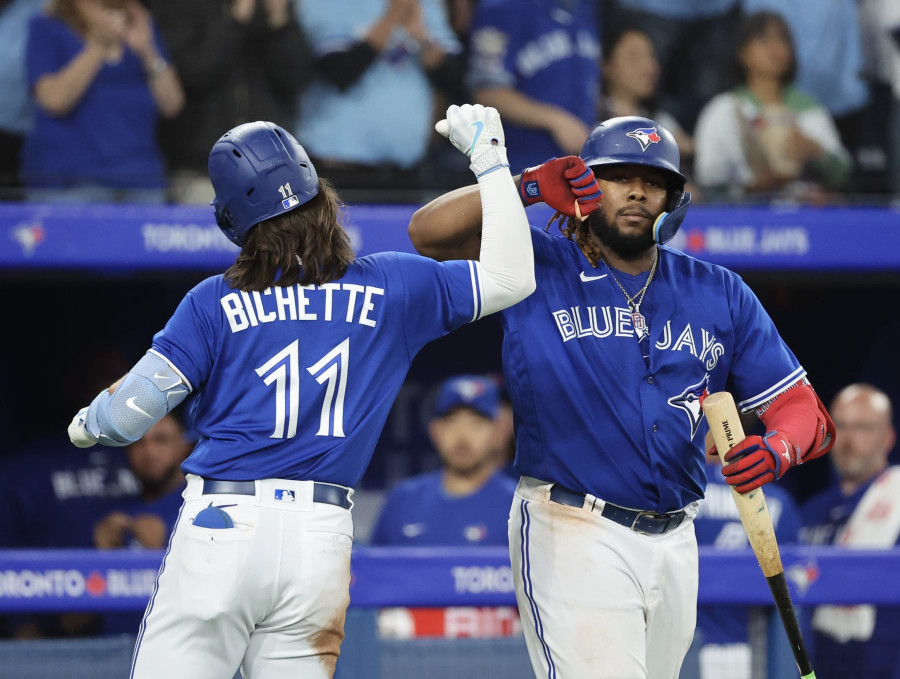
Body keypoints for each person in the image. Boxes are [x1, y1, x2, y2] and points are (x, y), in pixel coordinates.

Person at [66, 105, 534, 678]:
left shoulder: (213, 300)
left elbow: (127, 418)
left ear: (233, 219)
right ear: (319, 196)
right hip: (320, 539)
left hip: (224, 527)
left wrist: (89, 422)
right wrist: (490, 159)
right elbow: (514, 277)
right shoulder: (390, 284)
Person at [408, 115, 835, 678]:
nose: (636, 191)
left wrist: (778, 449)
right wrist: (527, 187)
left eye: (652, 181)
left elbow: (807, 413)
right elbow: (426, 233)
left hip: (676, 540)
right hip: (573, 526)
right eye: (617, 176)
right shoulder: (536, 261)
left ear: (674, 199)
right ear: (585, 183)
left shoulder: (719, 291)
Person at [148, 0, 311, 205]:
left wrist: (279, 20)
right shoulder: (181, 6)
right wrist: (237, 19)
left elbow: (295, 80)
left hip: (270, 172)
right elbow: (196, 72)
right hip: (204, 171)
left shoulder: (272, 9)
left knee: (275, 237)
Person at [22, 0, 184, 202]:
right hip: (71, 180)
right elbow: (54, 100)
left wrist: (148, 52)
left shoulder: (137, 20)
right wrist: (97, 48)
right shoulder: (47, 25)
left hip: (141, 176)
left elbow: (172, 104)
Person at [294, 0, 465, 190]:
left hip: (407, 167)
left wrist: (423, 38)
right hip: (339, 166)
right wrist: (392, 18)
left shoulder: (423, 3)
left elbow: (455, 78)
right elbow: (338, 72)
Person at [693, 11, 851, 200]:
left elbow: (844, 173)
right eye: (763, 40)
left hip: (801, 214)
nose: (774, 49)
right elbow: (708, 178)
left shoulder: (809, 110)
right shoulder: (724, 109)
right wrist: (751, 187)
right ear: (743, 52)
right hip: (743, 218)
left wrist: (816, 152)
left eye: (782, 40)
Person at [800, 384, 900, 679]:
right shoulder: (809, 512)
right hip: (818, 663)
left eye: (863, 428)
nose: (848, 439)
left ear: (889, 437)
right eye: (839, 426)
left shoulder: (895, 497)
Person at [692, 437, 801, 679]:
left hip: (687, 650)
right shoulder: (778, 500)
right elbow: (797, 590)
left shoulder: (677, 493)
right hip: (757, 653)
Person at [371, 374, 517, 546]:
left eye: (476, 423)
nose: (462, 436)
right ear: (435, 431)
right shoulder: (402, 500)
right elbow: (372, 569)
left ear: (496, 432)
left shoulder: (518, 506)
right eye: (451, 421)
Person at [467, 0, 601, 172]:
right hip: (520, 165)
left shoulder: (584, 8)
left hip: (579, 165)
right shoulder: (502, 7)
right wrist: (556, 121)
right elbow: (488, 91)